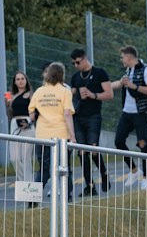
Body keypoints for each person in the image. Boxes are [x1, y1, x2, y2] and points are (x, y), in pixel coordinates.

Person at [110, 46, 147, 191]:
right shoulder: (128, 71)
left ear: (129, 57)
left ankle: (146, 179)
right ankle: (135, 171)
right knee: (118, 141)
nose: (121, 60)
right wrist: (103, 87)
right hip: (127, 113)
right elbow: (120, 84)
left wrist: (134, 86)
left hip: (141, 112)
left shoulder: (145, 70)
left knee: (142, 143)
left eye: (122, 57)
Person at [28, 63, 75, 202]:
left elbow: (31, 115)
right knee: (64, 166)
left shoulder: (39, 91)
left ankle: (32, 198)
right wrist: (72, 136)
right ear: (62, 75)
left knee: (43, 168)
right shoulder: (65, 91)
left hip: (42, 135)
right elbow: (67, 114)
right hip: (61, 135)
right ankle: (67, 197)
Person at [69, 48, 112, 196]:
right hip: (78, 117)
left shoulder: (100, 73)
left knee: (93, 150)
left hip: (93, 116)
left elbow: (109, 94)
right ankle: (90, 186)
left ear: (85, 58)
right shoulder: (76, 77)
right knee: (82, 152)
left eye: (78, 62)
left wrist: (93, 95)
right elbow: (70, 94)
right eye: (73, 63)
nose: (76, 65)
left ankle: (104, 175)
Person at [5, 70, 38, 203]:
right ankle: (26, 188)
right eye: (17, 79)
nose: (20, 81)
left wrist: (29, 122)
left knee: (26, 159)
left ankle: (31, 197)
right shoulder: (11, 96)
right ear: (14, 81)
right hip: (14, 124)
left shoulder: (30, 94)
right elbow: (10, 115)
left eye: (22, 78)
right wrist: (7, 104)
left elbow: (35, 111)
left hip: (28, 125)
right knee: (14, 158)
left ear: (26, 80)